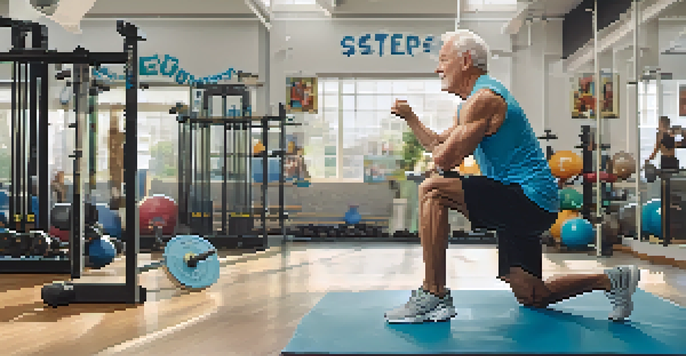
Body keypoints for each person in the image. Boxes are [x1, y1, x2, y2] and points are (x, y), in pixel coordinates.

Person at [384, 30, 640, 324]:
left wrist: (440, 158)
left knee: (432, 190)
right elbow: (437, 146)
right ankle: (612, 280)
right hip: (522, 202)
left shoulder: (485, 99)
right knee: (532, 295)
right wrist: (411, 118)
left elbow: (445, 159)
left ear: (466, 60)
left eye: (443, 60)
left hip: (529, 198)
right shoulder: (467, 106)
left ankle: (434, 294)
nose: (437, 68)